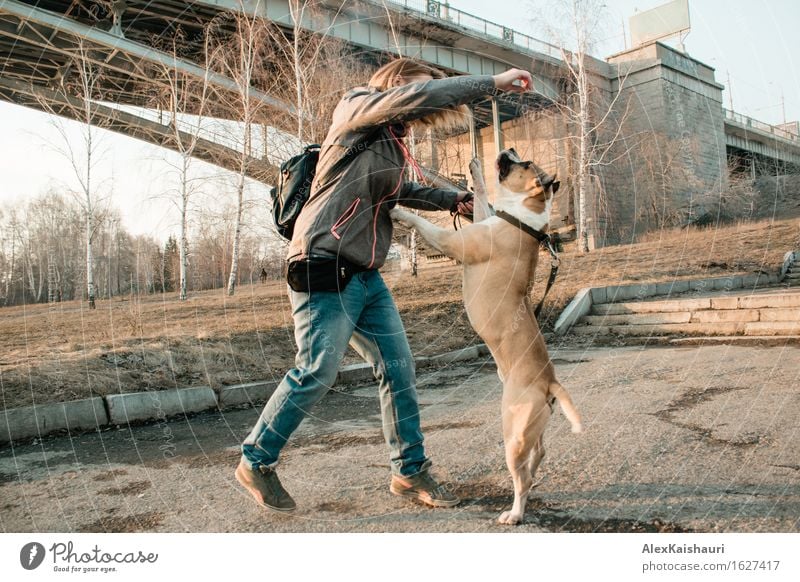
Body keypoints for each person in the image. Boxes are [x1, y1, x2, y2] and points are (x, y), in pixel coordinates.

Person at [236, 58, 534, 513]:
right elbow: (419, 98)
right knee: (316, 369)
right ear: (395, 86)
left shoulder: (391, 145)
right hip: (323, 262)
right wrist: (490, 83)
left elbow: (397, 193)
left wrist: (453, 198)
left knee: (398, 368)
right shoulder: (355, 110)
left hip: (364, 273)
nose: (422, 105)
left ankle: (409, 472)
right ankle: (256, 459)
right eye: (418, 91)